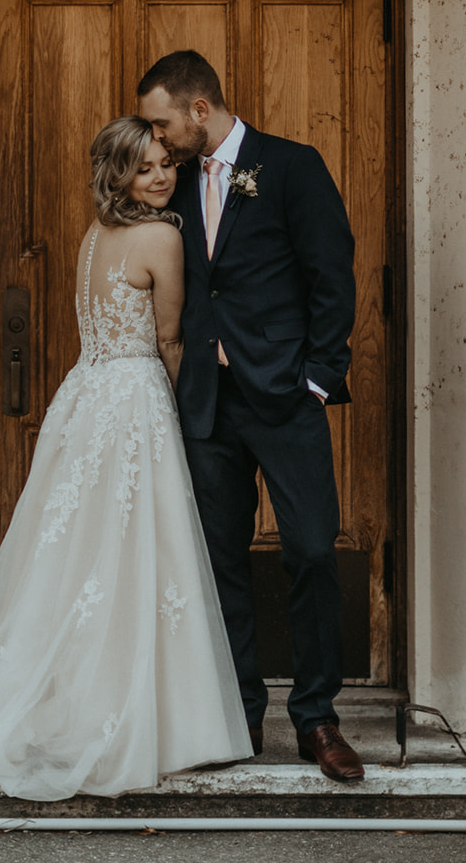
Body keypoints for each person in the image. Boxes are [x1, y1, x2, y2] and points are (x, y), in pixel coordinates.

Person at [0, 116, 251, 799]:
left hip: (85, 395)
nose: (163, 175)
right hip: (135, 397)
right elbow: (169, 339)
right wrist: (189, 414)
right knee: (139, 546)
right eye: (145, 168)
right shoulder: (161, 236)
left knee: (75, 550)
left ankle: (60, 694)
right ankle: (150, 716)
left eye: (165, 162)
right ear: (119, 176)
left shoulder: (94, 237)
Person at [138, 51, 365, 783]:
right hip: (205, 400)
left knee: (309, 551)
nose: (157, 138)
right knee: (218, 560)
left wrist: (317, 378)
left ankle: (316, 716)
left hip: (284, 398)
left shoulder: (291, 167)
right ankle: (237, 712)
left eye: (162, 121)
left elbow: (331, 270)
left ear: (199, 111)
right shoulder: (167, 183)